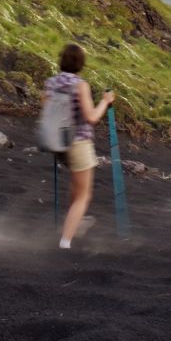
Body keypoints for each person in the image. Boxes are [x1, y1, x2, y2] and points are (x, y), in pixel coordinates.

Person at [43, 43, 114, 249]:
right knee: (84, 195)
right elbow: (91, 117)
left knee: (76, 188)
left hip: (57, 143)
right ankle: (66, 241)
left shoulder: (51, 83)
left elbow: (47, 112)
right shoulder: (80, 85)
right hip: (79, 143)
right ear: (81, 63)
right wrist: (105, 101)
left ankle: (72, 223)